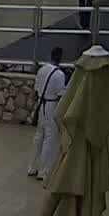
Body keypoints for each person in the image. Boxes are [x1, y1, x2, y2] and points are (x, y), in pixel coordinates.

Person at [28, 47, 69, 183]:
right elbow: (61, 94)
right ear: (60, 57)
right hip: (51, 105)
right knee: (49, 138)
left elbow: (36, 89)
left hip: (41, 104)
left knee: (38, 136)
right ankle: (43, 170)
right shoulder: (59, 75)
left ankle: (32, 167)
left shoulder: (42, 70)